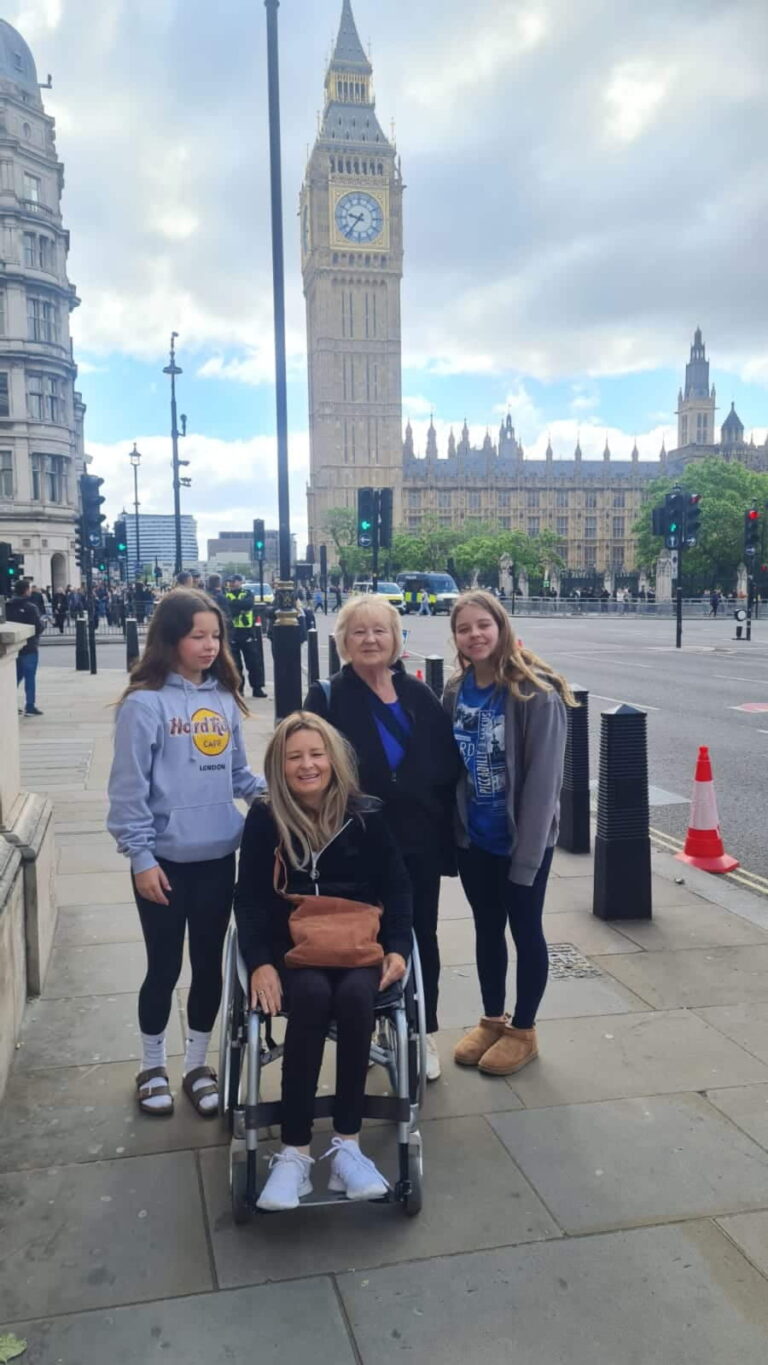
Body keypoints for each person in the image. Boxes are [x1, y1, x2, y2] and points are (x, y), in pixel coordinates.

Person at [234, 711, 412, 1211]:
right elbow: (248, 899)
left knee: (357, 997)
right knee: (310, 996)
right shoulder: (265, 818)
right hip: (291, 944)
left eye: (316, 755)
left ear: (333, 760)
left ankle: (347, 1150)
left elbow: (398, 887)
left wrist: (398, 947)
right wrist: (260, 963)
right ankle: (294, 1154)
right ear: (279, 765)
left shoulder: (367, 815)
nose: (307, 765)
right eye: (295, 757)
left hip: (357, 940)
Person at [107, 589, 264, 1119]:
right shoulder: (143, 704)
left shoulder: (223, 698)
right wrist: (140, 858)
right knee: (163, 966)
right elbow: (128, 792)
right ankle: (152, 1065)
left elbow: (240, 774)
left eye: (215, 636)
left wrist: (287, 794)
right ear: (171, 638)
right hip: (164, 865)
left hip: (220, 856)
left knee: (208, 968)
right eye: (198, 635)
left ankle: (198, 1064)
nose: (209, 645)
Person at [304, 595, 460, 1082]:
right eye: (359, 632)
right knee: (362, 936)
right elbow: (310, 769)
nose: (371, 640)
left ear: (396, 640)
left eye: (381, 631)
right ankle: (367, 1024)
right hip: (355, 844)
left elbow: (446, 762)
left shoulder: (418, 696)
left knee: (421, 936)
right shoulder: (326, 697)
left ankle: (423, 1031)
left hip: (417, 842)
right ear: (343, 642)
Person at [444, 590, 575, 1077]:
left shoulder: (534, 692)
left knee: (525, 930)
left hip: (523, 843)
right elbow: (453, 768)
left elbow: (544, 786)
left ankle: (524, 1030)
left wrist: (527, 857)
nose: (475, 635)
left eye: (483, 625)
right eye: (464, 628)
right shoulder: (455, 691)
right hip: (477, 839)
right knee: (485, 930)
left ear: (500, 627)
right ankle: (492, 1019)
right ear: (455, 637)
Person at [6, 579, 44, 715]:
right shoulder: (30, 607)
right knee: (30, 678)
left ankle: (8, 703)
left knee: (14, 678)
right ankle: (30, 706)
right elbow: (38, 627)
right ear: (26, 591)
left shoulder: (7, 606)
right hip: (29, 647)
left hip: (12, 647)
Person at [226, 574, 265, 698]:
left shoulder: (247, 593)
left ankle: (257, 688)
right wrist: (239, 608)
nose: (232, 584)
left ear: (240, 582)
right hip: (233, 632)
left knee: (253, 662)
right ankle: (239, 689)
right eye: (230, 582)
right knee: (235, 664)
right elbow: (229, 609)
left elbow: (248, 604)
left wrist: (236, 606)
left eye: (235, 581)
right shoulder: (226, 595)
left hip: (248, 632)